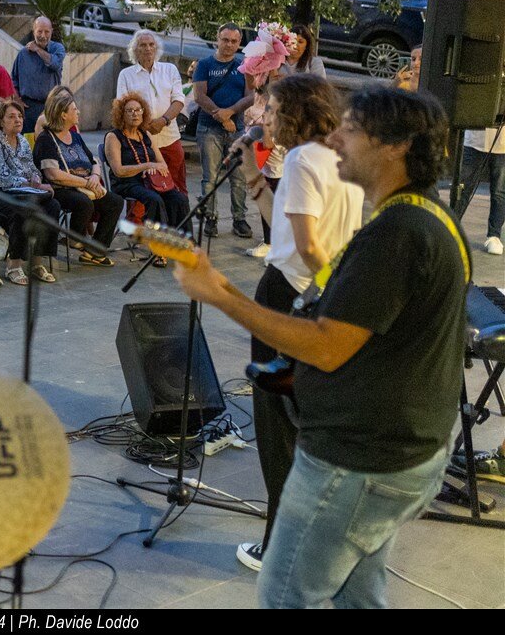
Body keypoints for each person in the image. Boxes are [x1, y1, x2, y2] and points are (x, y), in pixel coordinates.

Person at [173, 87, 467, 609]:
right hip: (398, 452)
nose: (334, 137)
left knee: (287, 595)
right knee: (359, 596)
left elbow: (329, 347)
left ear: (396, 146)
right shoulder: (423, 217)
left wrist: (219, 292)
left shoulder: (398, 232)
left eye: (350, 128)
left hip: (359, 461)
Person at [226, 74, 364, 573]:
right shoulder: (336, 159)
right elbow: (279, 220)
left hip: (289, 295)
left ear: (298, 113)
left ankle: (281, 546)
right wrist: (249, 166)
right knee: (305, 421)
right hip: (322, 296)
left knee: (277, 425)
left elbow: (306, 245)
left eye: (274, 108)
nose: (265, 117)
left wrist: (317, 290)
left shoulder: (305, 158)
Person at [0, 99, 61, 285]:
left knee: (52, 205)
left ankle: (36, 262)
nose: (18, 120)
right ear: (0, 121)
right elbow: (1, 178)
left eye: (20, 116)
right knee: (22, 209)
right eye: (11, 117)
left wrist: (37, 179)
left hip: (19, 191)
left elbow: (30, 168)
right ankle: (13, 265)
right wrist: (33, 185)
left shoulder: (22, 141)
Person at [34, 92, 124, 266]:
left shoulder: (74, 136)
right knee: (84, 202)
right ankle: (75, 237)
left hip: (85, 186)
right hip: (59, 189)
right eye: (74, 109)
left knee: (115, 202)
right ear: (63, 114)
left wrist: (95, 177)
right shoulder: (46, 139)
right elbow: (53, 174)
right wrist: (86, 182)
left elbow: (93, 161)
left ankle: (95, 251)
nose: (79, 112)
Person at [103, 93, 190, 261]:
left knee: (179, 198)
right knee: (154, 199)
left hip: (150, 182)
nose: (135, 114)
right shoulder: (113, 137)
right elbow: (118, 170)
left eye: (138, 110)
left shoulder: (146, 135)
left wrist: (156, 168)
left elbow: (162, 164)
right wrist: (147, 166)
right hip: (126, 182)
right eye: (130, 111)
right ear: (121, 114)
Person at [193, 22, 256, 238]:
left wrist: (230, 112)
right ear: (217, 39)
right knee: (209, 176)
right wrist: (220, 116)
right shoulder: (205, 64)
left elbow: (250, 96)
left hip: (236, 128)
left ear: (239, 43)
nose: (229, 44)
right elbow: (199, 96)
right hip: (208, 128)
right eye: (225, 40)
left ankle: (239, 219)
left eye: (234, 41)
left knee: (238, 177)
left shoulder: (244, 67)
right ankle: (210, 218)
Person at [117, 29, 187, 193]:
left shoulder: (170, 69)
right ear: (135, 50)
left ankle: (179, 219)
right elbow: (122, 106)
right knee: (142, 191)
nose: (148, 48)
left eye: (151, 44)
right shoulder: (126, 75)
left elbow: (179, 100)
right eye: (143, 45)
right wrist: (146, 126)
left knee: (178, 187)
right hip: (140, 141)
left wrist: (163, 121)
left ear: (156, 48)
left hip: (170, 138)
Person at [12, 17, 65, 133]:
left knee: (48, 145)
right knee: (28, 144)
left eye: (46, 31)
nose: (43, 35)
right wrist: (17, 100)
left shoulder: (58, 49)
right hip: (28, 108)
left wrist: (37, 49)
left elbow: (54, 64)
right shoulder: (23, 54)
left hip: (50, 107)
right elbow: (14, 80)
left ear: (51, 31)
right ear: (34, 31)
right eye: (39, 31)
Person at [463, 124, 505, 255]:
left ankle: (494, 236)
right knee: (463, 189)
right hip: (474, 141)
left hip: (503, 145)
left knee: (499, 192)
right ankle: (449, 228)